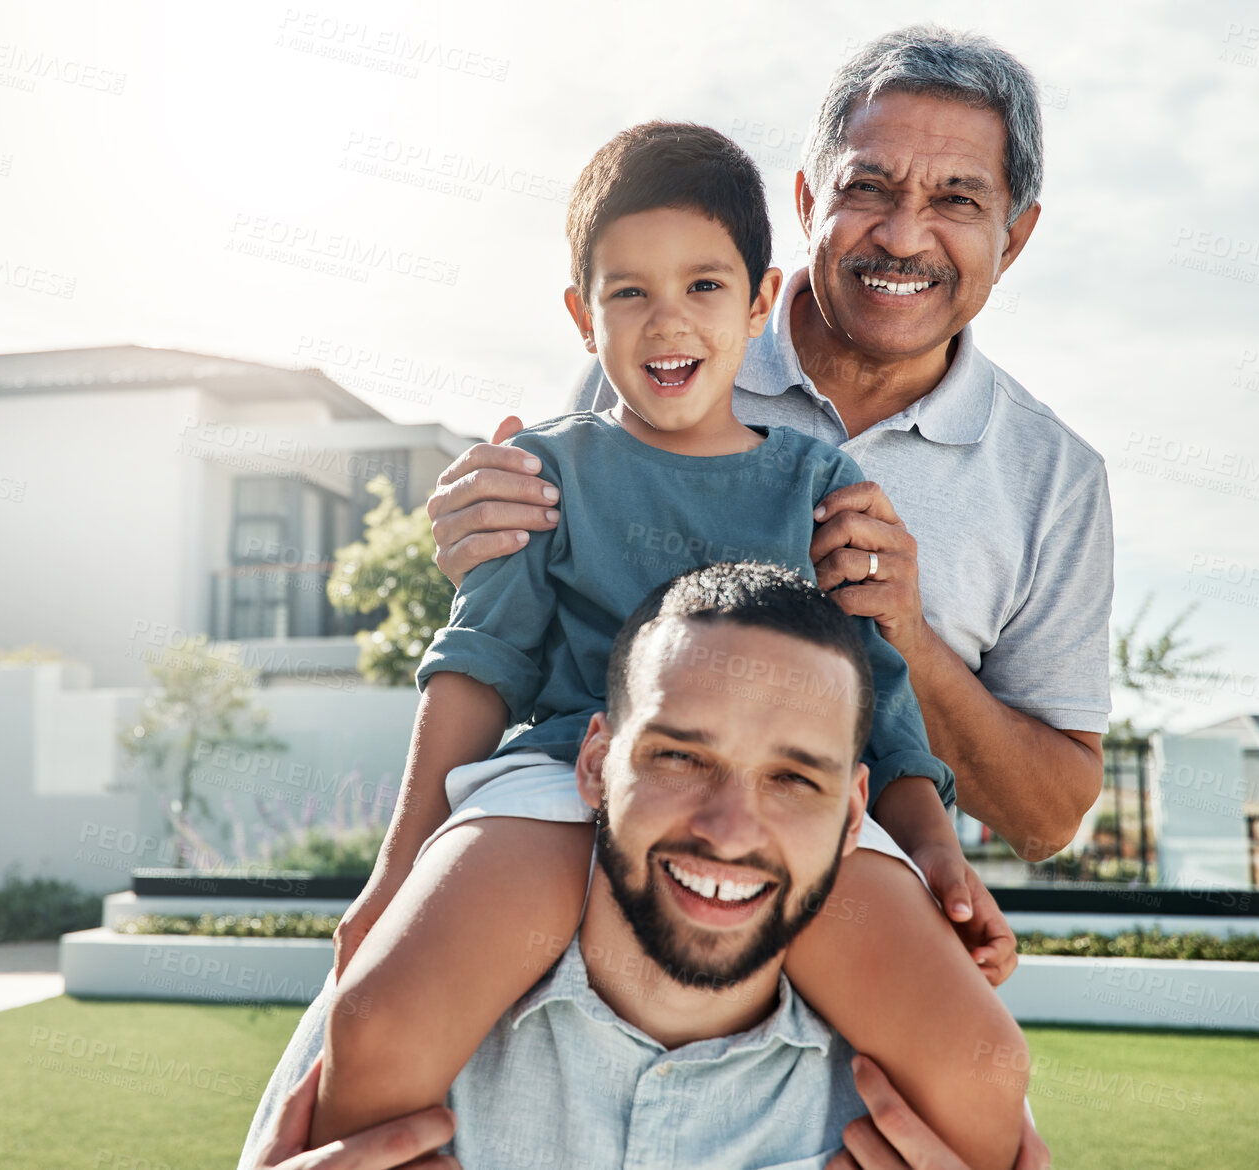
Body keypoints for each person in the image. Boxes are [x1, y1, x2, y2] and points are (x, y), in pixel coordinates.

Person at [308, 124, 1025, 1170]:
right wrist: (393, 871)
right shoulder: (540, 470)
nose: (667, 320)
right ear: (581, 316)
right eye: (628, 292)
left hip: (784, 800)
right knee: (375, 1024)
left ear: (757, 299)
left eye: (702, 285)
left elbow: (882, 694)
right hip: (560, 778)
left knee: (984, 1065)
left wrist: (935, 855)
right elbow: (478, 662)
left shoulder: (818, 486)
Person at [427, 25, 1114, 867]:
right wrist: (485, 535)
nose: (902, 236)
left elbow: (1046, 823)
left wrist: (906, 637)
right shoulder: (666, 357)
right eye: (868, 187)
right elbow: (526, 633)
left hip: (835, 882)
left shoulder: (1057, 479)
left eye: (957, 200)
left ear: (1015, 235)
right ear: (805, 204)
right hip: (600, 855)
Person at [245, 564, 1043, 1169]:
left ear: (851, 815)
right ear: (594, 763)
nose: (730, 832)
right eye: (679, 758)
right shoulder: (383, 1024)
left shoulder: (923, 1117)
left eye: (794, 778)